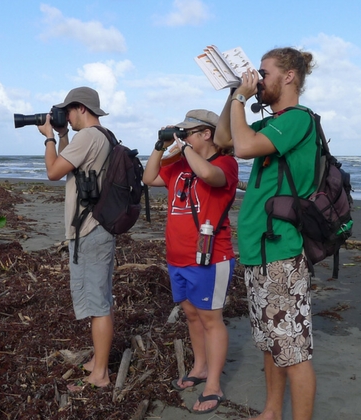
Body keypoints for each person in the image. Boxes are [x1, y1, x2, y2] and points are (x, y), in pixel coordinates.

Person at [214, 48, 319, 419]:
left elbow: (242, 148)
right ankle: (272, 411)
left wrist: (244, 97)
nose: (258, 78)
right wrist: (233, 93)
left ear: (289, 76)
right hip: (259, 251)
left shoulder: (296, 119)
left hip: (282, 252)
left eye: (264, 72)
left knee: (292, 350)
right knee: (271, 343)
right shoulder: (272, 121)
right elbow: (225, 137)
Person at [143, 109, 238, 414]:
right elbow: (148, 177)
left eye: (188, 132)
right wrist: (161, 147)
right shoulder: (180, 166)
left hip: (211, 258)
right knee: (191, 314)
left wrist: (182, 147)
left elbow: (210, 176)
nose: (182, 137)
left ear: (207, 134)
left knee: (211, 319)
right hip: (177, 256)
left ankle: (214, 385)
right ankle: (199, 368)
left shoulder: (226, 163)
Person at [37, 86, 115, 390]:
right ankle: (98, 361)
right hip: (97, 227)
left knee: (98, 304)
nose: (65, 118)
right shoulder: (102, 135)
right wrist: (63, 135)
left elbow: (54, 171)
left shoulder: (88, 137)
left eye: (67, 111)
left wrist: (49, 137)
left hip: (90, 230)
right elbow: (74, 169)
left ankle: (101, 374)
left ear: (81, 108)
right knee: (99, 298)